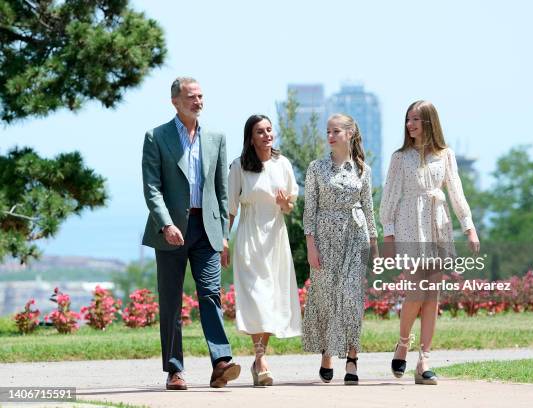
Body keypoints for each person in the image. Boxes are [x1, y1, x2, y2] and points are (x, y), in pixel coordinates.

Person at [141, 77, 241, 390]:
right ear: (175, 101)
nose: (197, 102)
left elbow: (222, 191)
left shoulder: (217, 137)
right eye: (191, 97)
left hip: (207, 229)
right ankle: (174, 370)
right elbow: (151, 187)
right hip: (171, 230)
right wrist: (166, 223)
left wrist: (224, 233)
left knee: (211, 294)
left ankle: (221, 362)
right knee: (171, 301)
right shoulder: (156, 136)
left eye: (200, 96)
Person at [379, 100, 480, 385]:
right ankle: (402, 342)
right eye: (408, 119)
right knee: (415, 292)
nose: (410, 125)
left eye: (415, 120)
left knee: (432, 295)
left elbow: (456, 191)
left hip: (438, 224)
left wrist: (469, 227)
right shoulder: (400, 157)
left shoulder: (446, 155)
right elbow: (389, 196)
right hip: (409, 223)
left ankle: (424, 361)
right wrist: (388, 233)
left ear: (429, 123)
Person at [302, 113, 378, 385]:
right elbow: (309, 210)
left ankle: (352, 358)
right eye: (328, 131)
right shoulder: (316, 168)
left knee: (351, 298)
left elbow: (368, 209)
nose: (330, 136)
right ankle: (327, 352)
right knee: (326, 297)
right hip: (324, 238)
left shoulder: (363, 170)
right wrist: (311, 245)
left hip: (355, 238)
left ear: (349, 134)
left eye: (336, 131)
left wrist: (374, 244)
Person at [227, 114, 302, 386]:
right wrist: (224, 240)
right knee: (256, 298)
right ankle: (261, 360)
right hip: (249, 236)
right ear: (251, 137)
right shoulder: (238, 167)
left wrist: (284, 204)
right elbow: (230, 210)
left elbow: (290, 206)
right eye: (260, 131)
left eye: (269, 130)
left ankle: (259, 359)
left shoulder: (283, 164)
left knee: (270, 299)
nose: (267, 135)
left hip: (275, 238)